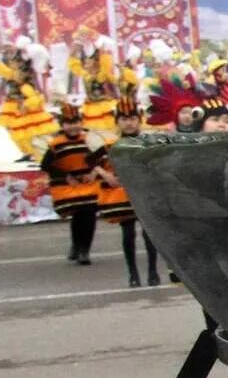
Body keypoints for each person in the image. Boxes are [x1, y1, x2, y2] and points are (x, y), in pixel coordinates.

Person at [95, 93, 160, 287]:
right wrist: (105, 175)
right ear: (117, 122)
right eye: (124, 119)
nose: (129, 123)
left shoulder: (148, 142)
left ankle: (152, 271)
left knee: (149, 234)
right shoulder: (110, 145)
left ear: (139, 120)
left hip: (144, 193)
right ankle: (133, 272)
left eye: (132, 119)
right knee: (128, 234)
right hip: (122, 196)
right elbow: (89, 162)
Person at [39, 104, 105, 265]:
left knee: (89, 215)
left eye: (76, 121)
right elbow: (45, 165)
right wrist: (66, 176)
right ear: (62, 125)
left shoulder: (90, 139)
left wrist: (95, 172)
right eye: (68, 123)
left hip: (89, 182)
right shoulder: (57, 144)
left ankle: (85, 250)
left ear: (81, 122)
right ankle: (77, 245)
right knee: (78, 215)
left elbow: (103, 158)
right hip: (69, 185)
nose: (73, 126)